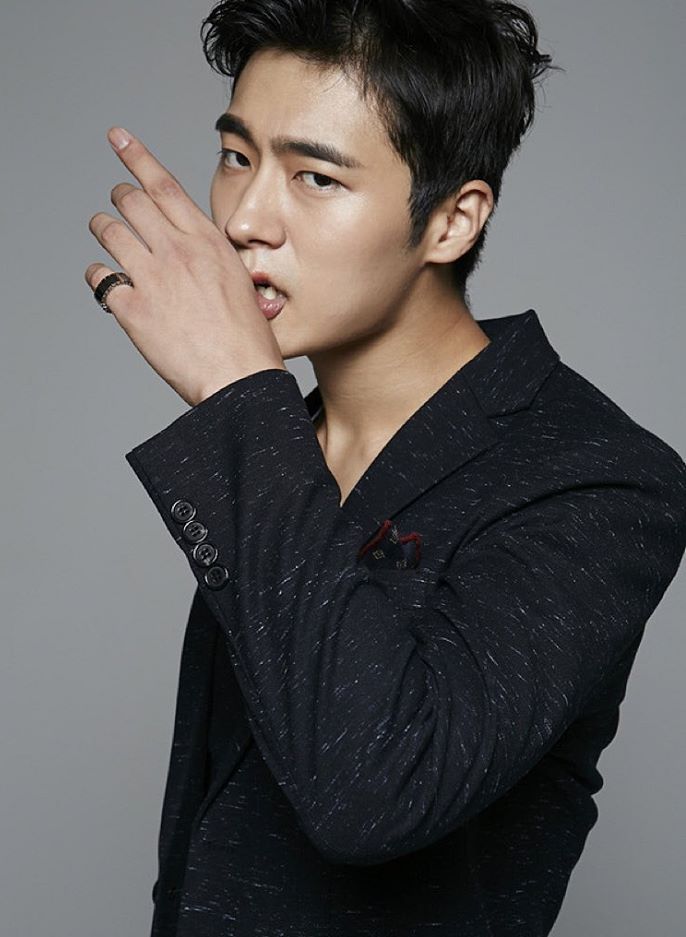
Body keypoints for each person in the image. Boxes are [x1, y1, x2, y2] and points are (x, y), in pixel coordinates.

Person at [85, 1, 686, 934]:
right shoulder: (287, 441)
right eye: (236, 156)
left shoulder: (603, 479)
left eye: (315, 177)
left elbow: (372, 793)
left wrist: (239, 394)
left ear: (452, 221)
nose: (243, 219)